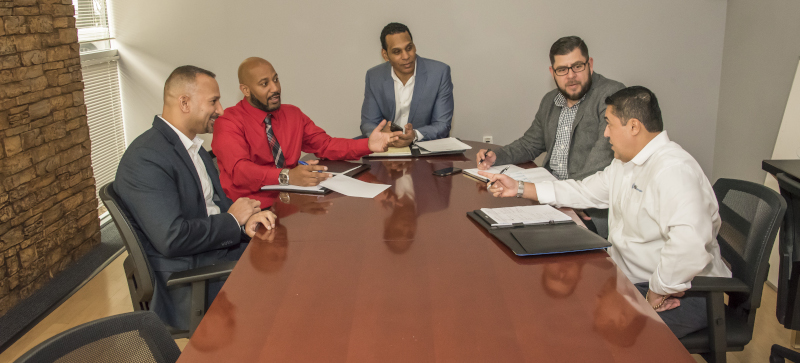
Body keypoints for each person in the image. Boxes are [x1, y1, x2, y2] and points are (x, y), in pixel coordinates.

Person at [480, 86, 731, 338]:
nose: (606, 132)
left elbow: (689, 244)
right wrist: (520, 188)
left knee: (594, 337)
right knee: (560, 313)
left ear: (633, 127)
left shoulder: (673, 170)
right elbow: (583, 191)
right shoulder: (626, 164)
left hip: (687, 292)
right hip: (632, 281)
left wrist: (657, 291)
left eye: (610, 124)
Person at [114, 65, 277, 331]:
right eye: (213, 101)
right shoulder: (146, 158)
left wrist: (244, 223)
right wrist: (232, 221)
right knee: (286, 291)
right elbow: (172, 237)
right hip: (190, 279)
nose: (221, 109)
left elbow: (216, 208)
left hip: (212, 255)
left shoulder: (193, 147)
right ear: (184, 102)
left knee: (287, 259)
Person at [212, 57, 401, 200]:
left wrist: (368, 144)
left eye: (276, 79)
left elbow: (326, 145)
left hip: (294, 201)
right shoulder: (228, 122)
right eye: (264, 84)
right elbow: (240, 171)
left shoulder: (292, 114)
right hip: (253, 209)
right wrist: (287, 175)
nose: (275, 88)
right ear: (245, 90)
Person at [476, 36, 624, 181]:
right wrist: (496, 156)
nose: (571, 75)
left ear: (590, 65)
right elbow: (529, 145)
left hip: (583, 197)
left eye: (578, 66)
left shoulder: (611, 96)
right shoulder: (550, 100)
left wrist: (559, 193)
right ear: (552, 72)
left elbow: (602, 161)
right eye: (562, 70)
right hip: (550, 190)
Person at [360, 22, 454, 146]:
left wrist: (414, 135)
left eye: (409, 48)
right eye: (397, 52)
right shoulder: (374, 76)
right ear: (385, 55)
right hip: (386, 146)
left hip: (424, 146)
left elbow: (442, 124)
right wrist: (384, 134)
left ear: (414, 46)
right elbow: (368, 123)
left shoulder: (439, 73)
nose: (406, 56)